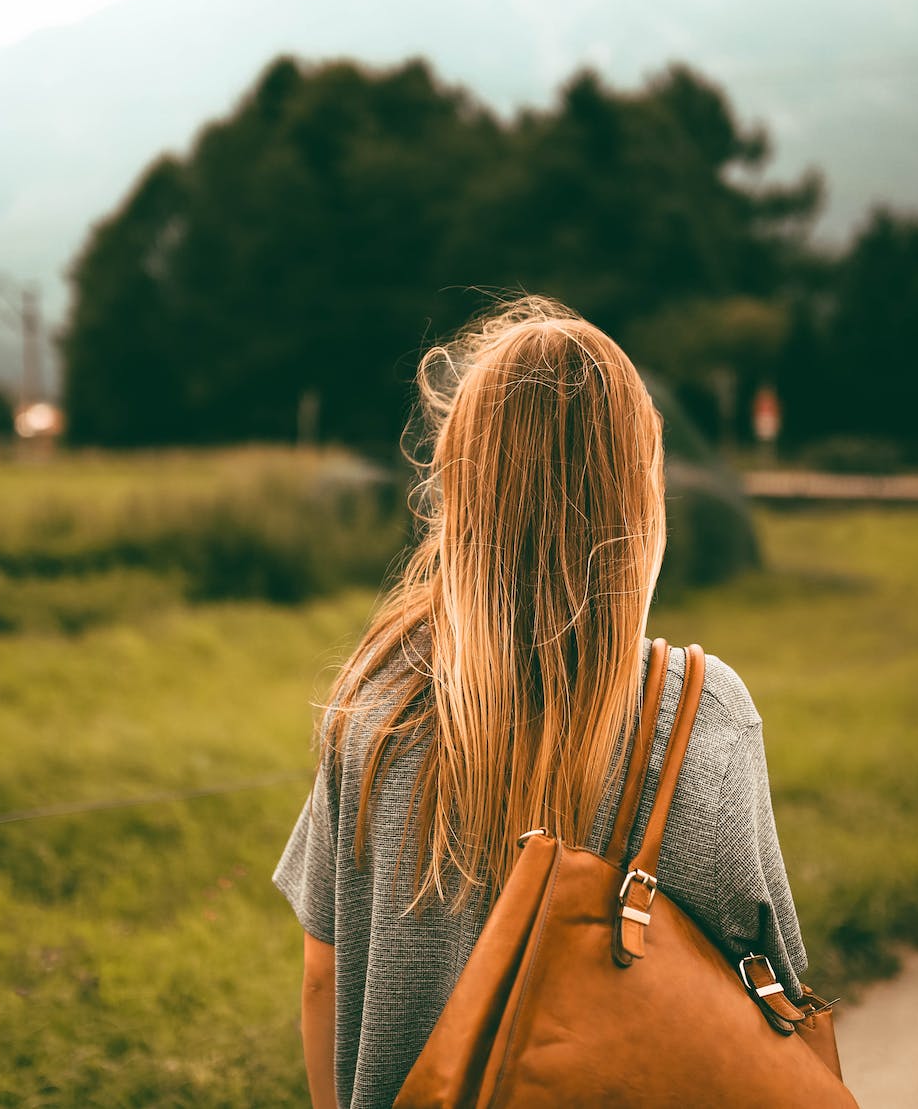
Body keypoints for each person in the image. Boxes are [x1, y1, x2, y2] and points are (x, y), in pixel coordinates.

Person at [274, 296, 808, 1109]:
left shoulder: (377, 708)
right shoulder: (703, 712)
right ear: (638, 493)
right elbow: (776, 987)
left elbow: (324, 976)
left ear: (462, 484)